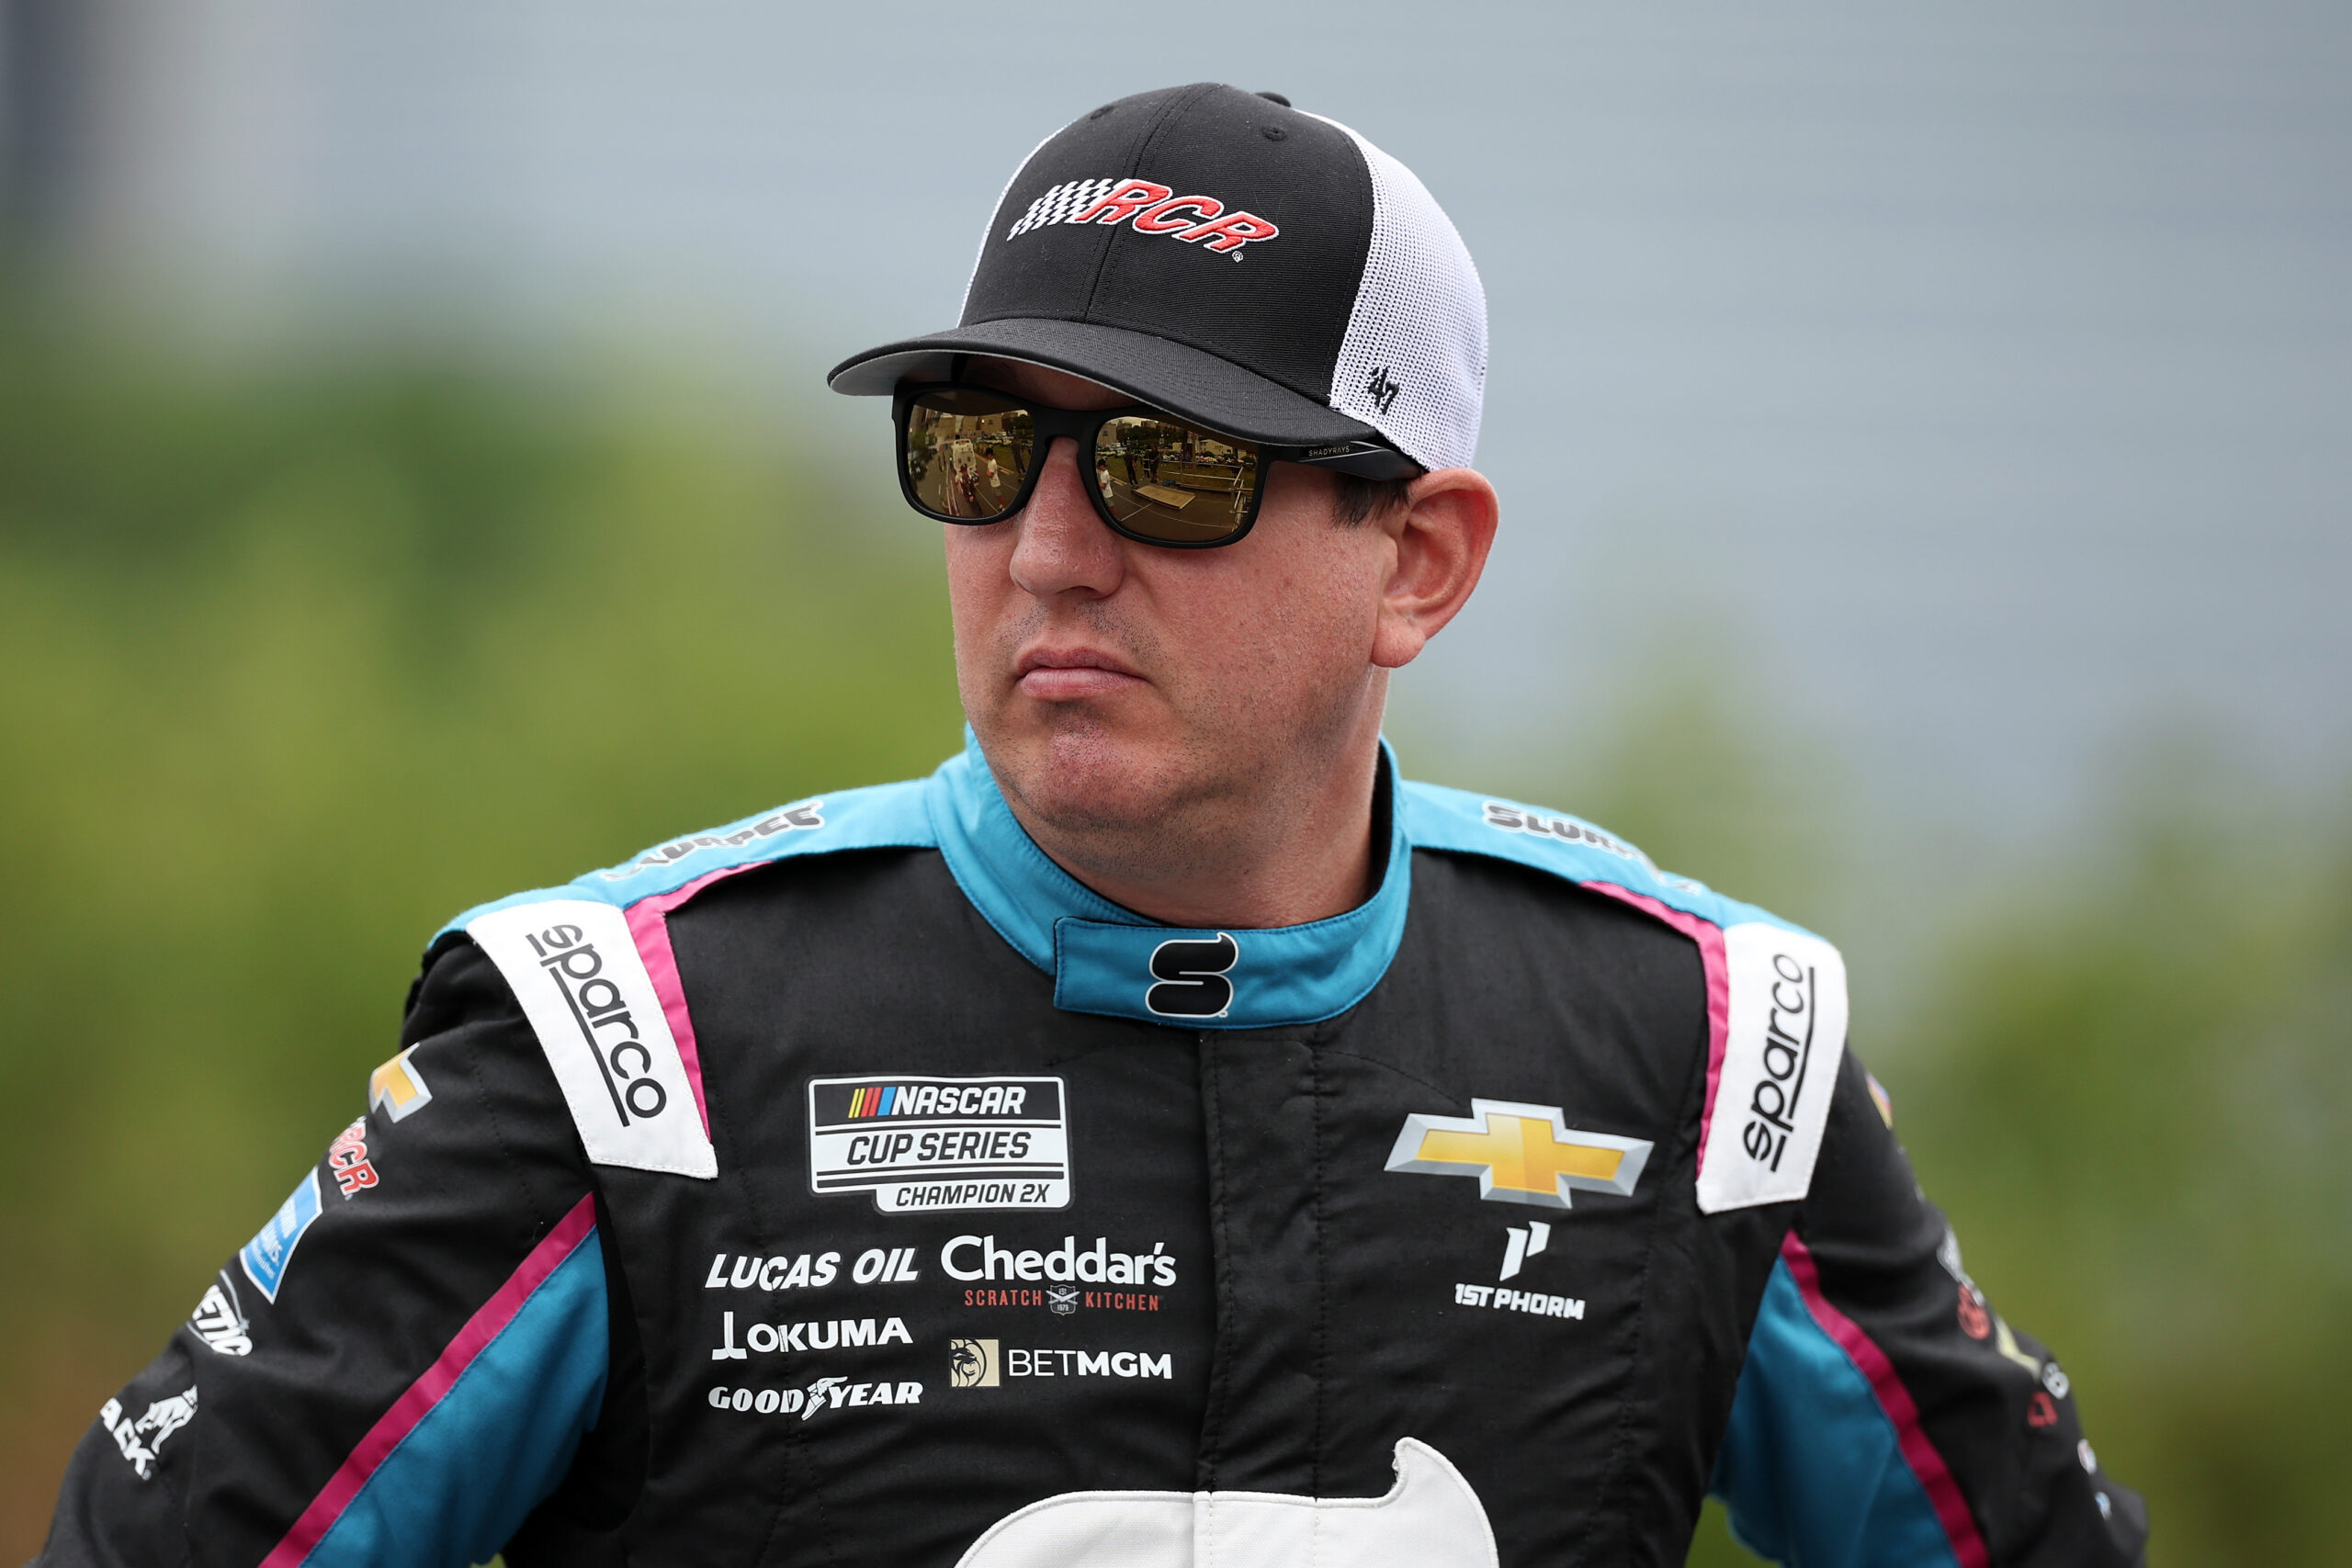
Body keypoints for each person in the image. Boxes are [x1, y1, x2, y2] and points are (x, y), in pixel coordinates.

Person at [35, 83, 2147, 1568]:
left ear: (1417, 561)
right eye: (981, 448)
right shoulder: (626, 1038)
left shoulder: (1705, 1048)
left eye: (1165, 464)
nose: (1044, 548)